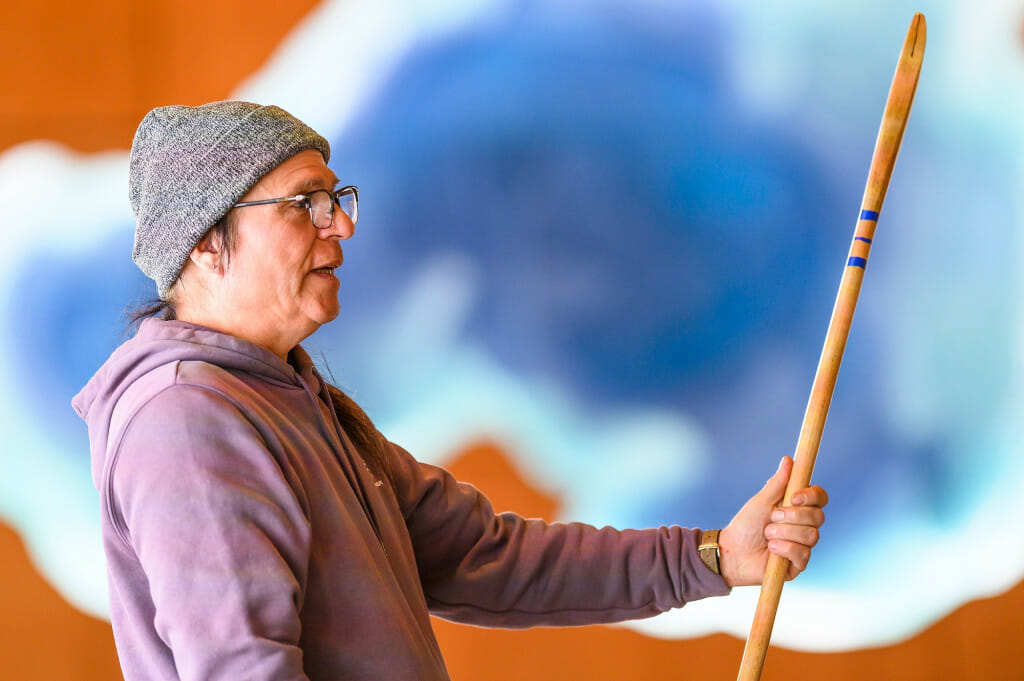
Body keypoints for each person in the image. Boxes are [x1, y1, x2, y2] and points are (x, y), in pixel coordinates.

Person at [73, 101, 828, 681]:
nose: (340, 226)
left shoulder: (292, 398)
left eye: (338, 200)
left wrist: (716, 557)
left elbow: (483, 555)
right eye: (307, 204)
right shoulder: (187, 419)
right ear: (207, 240)